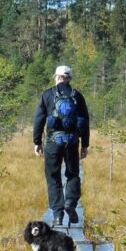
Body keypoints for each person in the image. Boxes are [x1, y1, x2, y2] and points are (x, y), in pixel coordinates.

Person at [32, 65, 90, 225]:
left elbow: (39, 119)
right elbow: (85, 122)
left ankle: (57, 215)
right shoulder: (77, 96)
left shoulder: (48, 94)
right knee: (72, 175)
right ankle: (70, 204)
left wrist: (37, 142)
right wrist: (85, 145)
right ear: (69, 78)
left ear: (56, 77)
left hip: (52, 143)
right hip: (71, 142)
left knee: (53, 177)